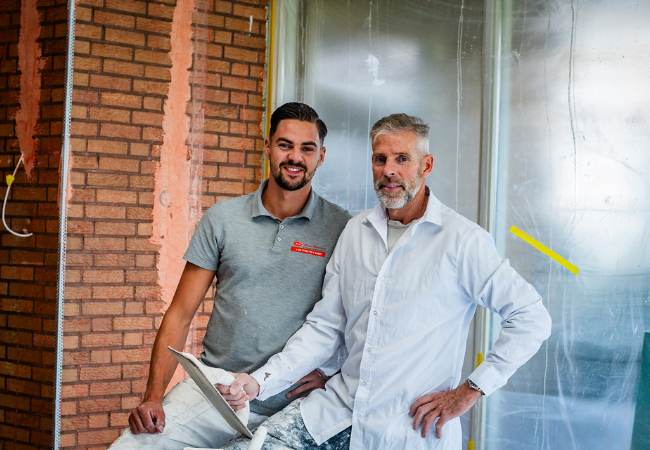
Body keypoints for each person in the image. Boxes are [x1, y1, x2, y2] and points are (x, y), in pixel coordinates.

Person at [219, 113, 553, 450]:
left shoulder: (462, 241)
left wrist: (470, 390)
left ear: (426, 165)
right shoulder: (356, 232)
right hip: (338, 408)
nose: (389, 170)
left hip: (407, 428)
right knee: (249, 447)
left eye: (402, 159)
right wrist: (260, 382)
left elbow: (531, 318)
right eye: (380, 159)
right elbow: (327, 326)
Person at [109, 103, 352, 450]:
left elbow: (354, 319)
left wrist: (330, 372)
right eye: (285, 145)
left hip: (292, 403)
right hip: (215, 388)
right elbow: (179, 313)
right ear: (267, 146)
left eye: (307, 148)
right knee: (131, 447)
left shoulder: (342, 228)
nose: (295, 157)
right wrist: (153, 397)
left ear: (321, 156)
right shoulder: (223, 218)